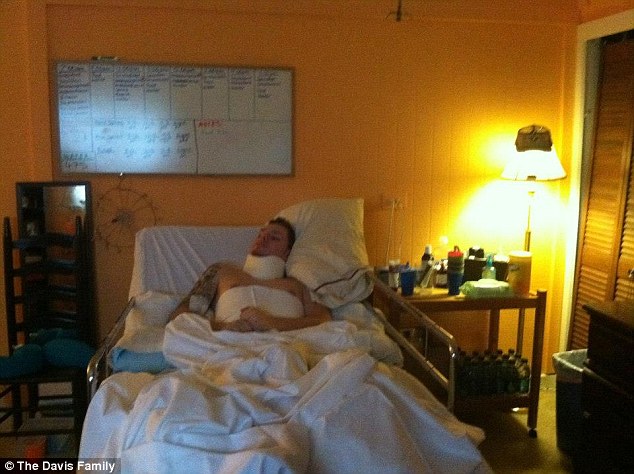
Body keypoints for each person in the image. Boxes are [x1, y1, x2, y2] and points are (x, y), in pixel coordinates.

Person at [169, 217, 332, 332]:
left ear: (288, 252)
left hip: (284, 347)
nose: (263, 239)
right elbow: (180, 317)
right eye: (260, 235)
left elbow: (322, 321)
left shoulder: (299, 283)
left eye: (274, 238)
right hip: (228, 344)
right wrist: (225, 327)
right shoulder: (222, 272)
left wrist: (273, 323)